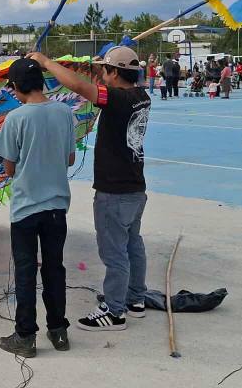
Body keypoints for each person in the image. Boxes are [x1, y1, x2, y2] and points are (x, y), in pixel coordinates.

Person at [28, 46, 151, 331]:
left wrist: (45, 61)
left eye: (105, 71)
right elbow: (92, 83)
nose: (102, 76)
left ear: (115, 72)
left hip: (115, 190)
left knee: (114, 252)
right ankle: (135, 299)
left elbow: (81, 87)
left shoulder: (117, 99)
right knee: (133, 244)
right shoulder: (141, 96)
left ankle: (115, 311)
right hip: (135, 186)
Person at [0, 58, 76, 358]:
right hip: (56, 208)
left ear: (17, 87)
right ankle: (59, 331)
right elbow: (70, 159)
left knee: (26, 272)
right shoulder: (64, 111)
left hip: (26, 208)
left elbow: (8, 167)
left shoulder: (16, 118)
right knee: (55, 268)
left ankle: (25, 337)